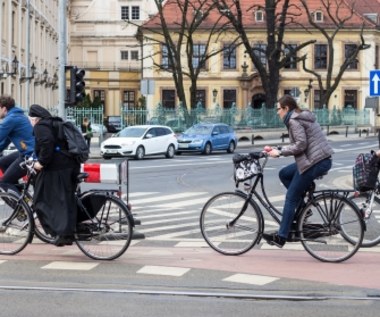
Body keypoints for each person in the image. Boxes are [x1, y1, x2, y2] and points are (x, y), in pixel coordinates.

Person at [262, 94, 334, 248]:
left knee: (290, 197)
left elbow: (301, 145)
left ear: (286, 108)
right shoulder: (298, 117)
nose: (277, 112)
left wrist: (280, 152)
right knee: (284, 174)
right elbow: (301, 144)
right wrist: (278, 149)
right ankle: (303, 207)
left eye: (278, 109)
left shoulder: (294, 121)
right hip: (316, 160)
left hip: (316, 162)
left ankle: (281, 236)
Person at [28, 104, 80, 246]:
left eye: (30, 119)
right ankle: (67, 234)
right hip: (69, 165)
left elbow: (47, 144)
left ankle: (61, 233)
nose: (30, 122)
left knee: (41, 200)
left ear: (35, 119)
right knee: (65, 200)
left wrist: (41, 163)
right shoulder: (54, 122)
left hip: (57, 168)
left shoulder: (40, 126)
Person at [0, 95, 35, 191]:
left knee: (3, 183)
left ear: (4, 108)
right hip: (25, 153)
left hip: (30, 156)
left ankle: (19, 205)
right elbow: (3, 143)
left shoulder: (11, 119)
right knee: (2, 163)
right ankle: (17, 191)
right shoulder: (17, 115)